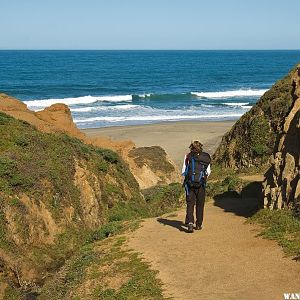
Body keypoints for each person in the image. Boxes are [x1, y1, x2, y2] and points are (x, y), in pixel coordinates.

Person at [182, 141, 211, 233]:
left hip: (189, 184)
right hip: (201, 184)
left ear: (191, 147)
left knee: (190, 204)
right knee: (200, 204)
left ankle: (190, 223)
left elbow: (184, 171)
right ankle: (198, 224)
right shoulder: (206, 157)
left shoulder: (187, 156)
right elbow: (208, 172)